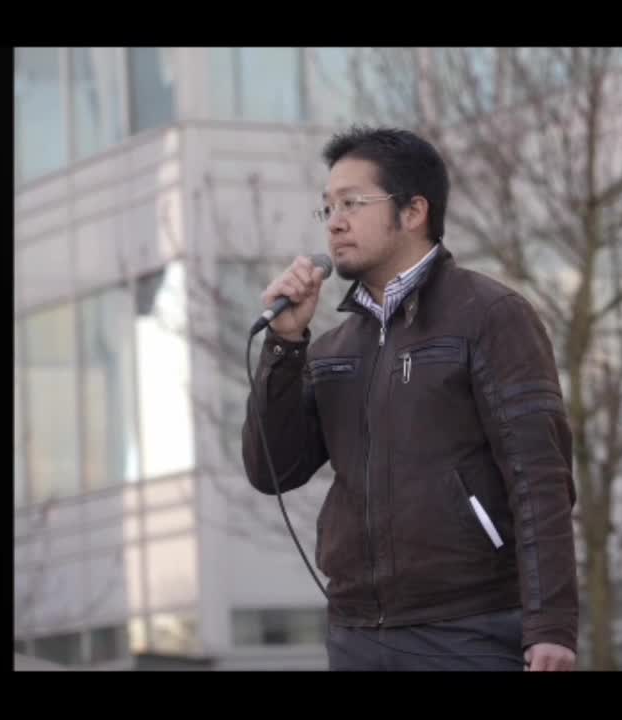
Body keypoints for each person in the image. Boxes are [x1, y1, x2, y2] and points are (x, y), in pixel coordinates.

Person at [241, 126, 578, 671]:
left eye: (352, 202)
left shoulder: (489, 316)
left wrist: (552, 625)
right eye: (327, 207)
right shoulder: (331, 348)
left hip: (469, 628)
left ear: (414, 210)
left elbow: (540, 478)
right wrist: (285, 343)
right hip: (356, 635)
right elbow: (271, 470)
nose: (336, 222)